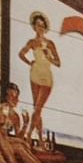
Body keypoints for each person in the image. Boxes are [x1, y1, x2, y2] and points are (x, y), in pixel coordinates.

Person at [16, 12, 61, 142]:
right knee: (36, 107)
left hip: (46, 76)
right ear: (34, 27)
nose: (40, 28)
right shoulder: (32, 42)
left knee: (38, 107)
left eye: (42, 25)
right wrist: (29, 62)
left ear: (45, 27)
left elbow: (58, 63)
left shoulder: (50, 44)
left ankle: (29, 134)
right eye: (37, 25)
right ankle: (40, 138)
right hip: (35, 73)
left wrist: (49, 58)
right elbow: (21, 54)